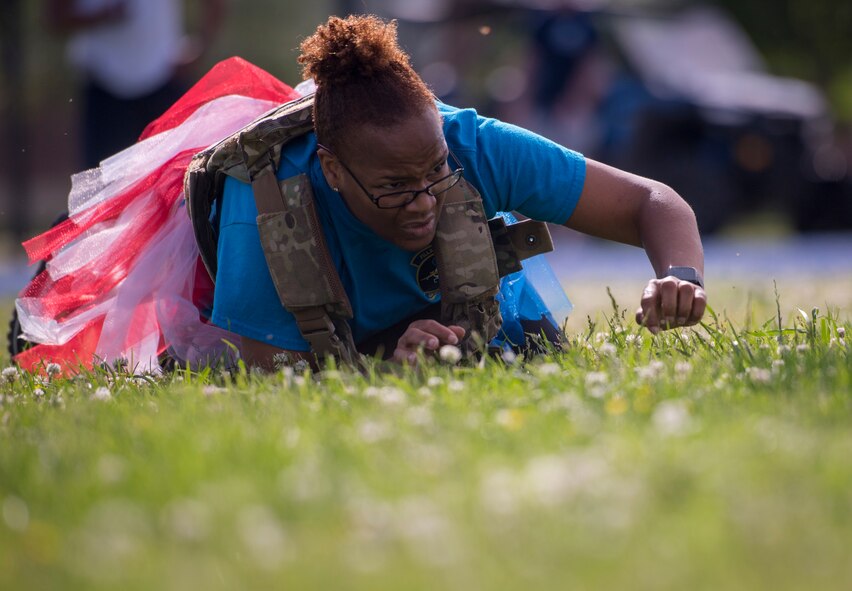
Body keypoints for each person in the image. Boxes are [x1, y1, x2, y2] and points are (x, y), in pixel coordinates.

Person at [13, 15, 705, 374]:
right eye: (396, 187)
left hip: (472, 310)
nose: (428, 200)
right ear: (333, 170)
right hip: (320, 327)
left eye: (434, 172)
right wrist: (388, 364)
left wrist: (679, 275)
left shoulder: (470, 143)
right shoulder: (268, 201)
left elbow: (652, 202)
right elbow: (276, 373)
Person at [47, 0, 225, 169]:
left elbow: (214, 5)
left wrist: (199, 48)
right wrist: (103, 16)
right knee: (105, 189)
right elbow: (56, 17)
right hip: (103, 87)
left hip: (164, 82)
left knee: (177, 183)